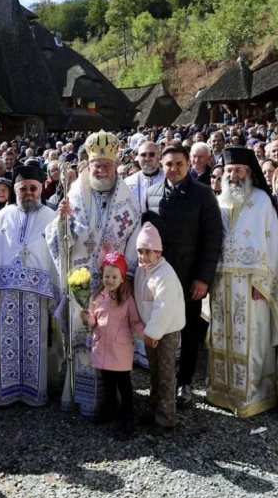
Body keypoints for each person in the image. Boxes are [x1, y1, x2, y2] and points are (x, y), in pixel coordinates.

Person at [48, 130, 142, 416]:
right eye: (96, 165)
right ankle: (82, 399)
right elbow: (58, 240)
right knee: (82, 341)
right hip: (82, 282)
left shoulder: (129, 202)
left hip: (111, 285)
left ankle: (110, 402)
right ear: (88, 165)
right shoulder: (74, 195)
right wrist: (61, 222)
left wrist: (124, 279)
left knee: (110, 340)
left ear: (116, 167)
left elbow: (134, 242)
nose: (101, 170)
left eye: (107, 165)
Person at [143, 145, 223, 408]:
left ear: (188, 164)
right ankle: (161, 382)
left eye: (179, 163)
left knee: (188, 332)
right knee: (159, 328)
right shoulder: (152, 194)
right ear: (161, 165)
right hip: (158, 278)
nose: (173, 169)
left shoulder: (203, 194)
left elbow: (212, 238)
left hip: (189, 278)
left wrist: (203, 278)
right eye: (168, 164)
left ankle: (184, 383)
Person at [206, 148, 278, 418]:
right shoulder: (219, 201)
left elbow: (272, 244)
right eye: (228, 171)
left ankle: (253, 395)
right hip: (221, 283)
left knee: (252, 337)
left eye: (238, 170)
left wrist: (266, 282)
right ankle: (222, 390)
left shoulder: (262, 200)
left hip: (253, 285)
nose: (233, 175)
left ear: (250, 173)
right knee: (222, 336)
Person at [0, 164, 60, 407]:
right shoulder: (4, 215)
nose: (28, 193)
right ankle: (7, 391)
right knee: (7, 341)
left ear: (42, 188)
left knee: (37, 342)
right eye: (23, 189)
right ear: (15, 190)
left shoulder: (51, 217)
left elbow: (56, 255)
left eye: (33, 188)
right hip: (8, 293)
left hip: (38, 295)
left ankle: (35, 392)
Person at [83, 251, 145, 439]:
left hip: (120, 350)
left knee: (124, 385)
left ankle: (128, 418)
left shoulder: (127, 299)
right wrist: (88, 319)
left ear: (122, 278)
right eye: (106, 276)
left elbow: (134, 321)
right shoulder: (97, 297)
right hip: (103, 348)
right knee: (108, 383)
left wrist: (146, 334)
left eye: (114, 277)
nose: (109, 280)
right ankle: (109, 410)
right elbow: (95, 322)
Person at [133, 222, 186, 433]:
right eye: (140, 252)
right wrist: (146, 332)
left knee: (166, 374)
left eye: (148, 252)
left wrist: (153, 332)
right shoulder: (141, 271)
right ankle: (155, 407)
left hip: (166, 331)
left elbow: (164, 306)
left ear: (158, 252)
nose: (143, 256)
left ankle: (166, 418)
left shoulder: (165, 274)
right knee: (153, 372)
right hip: (150, 332)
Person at [124, 141, 166, 212]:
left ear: (158, 156)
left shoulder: (169, 178)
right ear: (138, 157)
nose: (147, 158)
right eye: (143, 155)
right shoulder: (128, 182)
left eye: (151, 154)